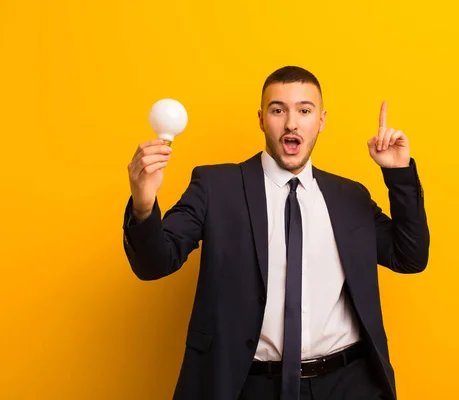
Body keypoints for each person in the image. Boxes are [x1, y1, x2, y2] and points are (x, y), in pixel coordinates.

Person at [122, 66, 430, 400]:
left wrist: (398, 173)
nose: (291, 123)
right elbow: (155, 263)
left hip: (348, 384)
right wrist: (143, 203)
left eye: (304, 110)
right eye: (278, 109)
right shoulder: (216, 187)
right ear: (261, 118)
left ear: (321, 120)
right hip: (251, 386)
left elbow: (409, 256)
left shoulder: (349, 196)